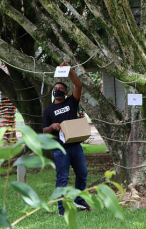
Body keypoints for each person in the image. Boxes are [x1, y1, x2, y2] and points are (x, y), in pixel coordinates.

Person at [43, 61, 92, 215]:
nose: (58, 90)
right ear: (53, 93)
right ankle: (61, 210)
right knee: (62, 179)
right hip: (60, 149)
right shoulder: (49, 110)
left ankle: (78, 199)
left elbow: (78, 86)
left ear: (65, 92)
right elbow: (44, 130)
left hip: (75, 146)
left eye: (61, 89)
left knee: (82, 174)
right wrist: (52, 127)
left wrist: (70, 70)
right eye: (55, 89)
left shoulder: (71, 102)